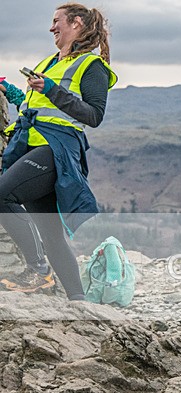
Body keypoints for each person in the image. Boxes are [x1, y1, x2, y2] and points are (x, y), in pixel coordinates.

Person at [0, 3, 117, 299]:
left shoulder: (92, 67)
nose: (52, 27)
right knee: (51, 232)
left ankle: (39, 271)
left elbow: (93, 115)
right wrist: (11, 91)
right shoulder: (49, 62)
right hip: (33, 146)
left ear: (76, 23)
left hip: (57, 150)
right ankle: (80, 302)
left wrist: (52, 88)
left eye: (56, 21)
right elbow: (33, 106)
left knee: (2, 195)